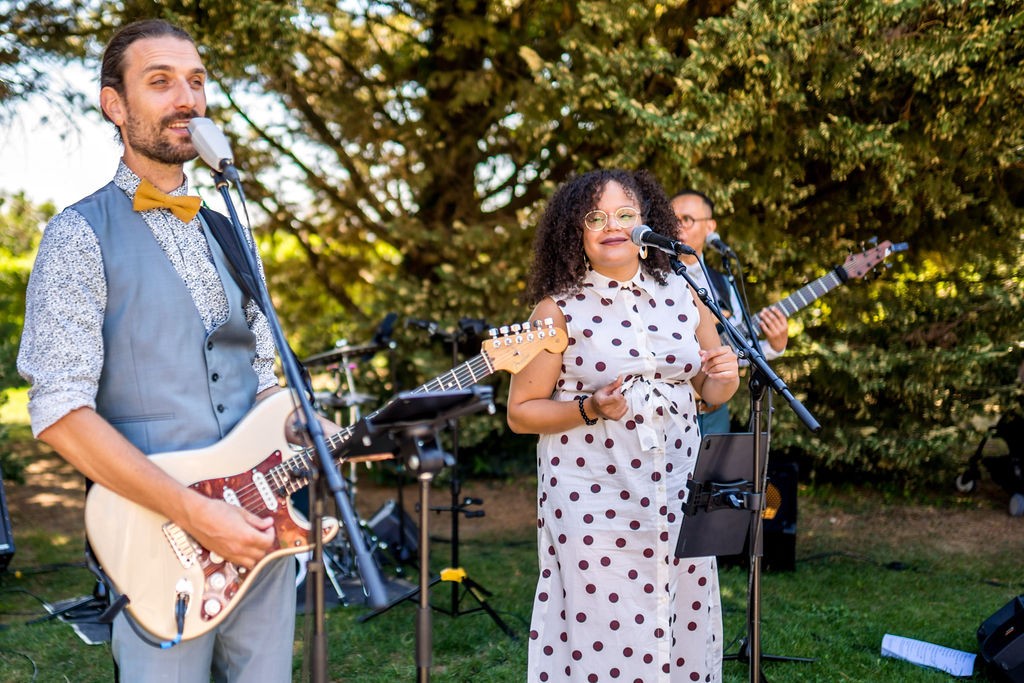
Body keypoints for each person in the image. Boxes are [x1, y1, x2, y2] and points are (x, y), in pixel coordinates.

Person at [17, 19, 324, 682]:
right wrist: (193, 510)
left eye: (196, 81)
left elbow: (263, 377)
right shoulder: (77, 235)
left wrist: (302, 422)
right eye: (160, 82)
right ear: (115, 106)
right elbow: (60, 412)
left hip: (264, 531)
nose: (187, 98)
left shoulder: (232, 228)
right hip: (158, 547)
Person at [507, 169, 740, 682]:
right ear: (576, 233)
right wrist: (588, 408)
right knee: (607, 627)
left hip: (679, 486)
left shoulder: (682, 291)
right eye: (596, 217)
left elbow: (711, 392)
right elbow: (521, 411)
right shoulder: (558, 309)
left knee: (682, 614)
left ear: (647, 223)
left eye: (625, 215)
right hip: (594, 496)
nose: (612, 225)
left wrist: (725, 374)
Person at [670, 189, 789, 434]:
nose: (677, 227)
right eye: (672, 220)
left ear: (710, 226)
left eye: (687, 220)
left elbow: (734, 350)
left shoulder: (723, 283)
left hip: (715, 412)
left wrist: (773, 347)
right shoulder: (652, 281)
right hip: (672, 413)